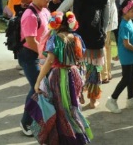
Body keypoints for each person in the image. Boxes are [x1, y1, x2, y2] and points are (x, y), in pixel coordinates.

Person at [25, 11, 93, 144]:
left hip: (59, 77)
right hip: (74, 74)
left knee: (61, 111)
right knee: (73, 107)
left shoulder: (55, 39)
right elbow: (81, 59)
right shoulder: (76, 38)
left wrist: (38, 80)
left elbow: (49, 60)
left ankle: (68, 140)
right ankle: (79, 136)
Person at [17, 0, 52, 137]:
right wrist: (44, 55)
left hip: (41, 55)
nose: (48, 0)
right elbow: (31, 41)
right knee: (37, 88)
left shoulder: (44, 10)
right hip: (30, 56)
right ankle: (26, 122)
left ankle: (37, 119)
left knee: (40, 88)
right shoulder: (30, 15)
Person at [105, 0, 133, 114]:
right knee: (126, 78)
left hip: (132, 55)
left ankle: (131, 98)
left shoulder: (129, 22)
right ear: (125, 11)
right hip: (127, 55)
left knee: (132, 76)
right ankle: (112, 99)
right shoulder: (123, 24)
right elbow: (126, 44)